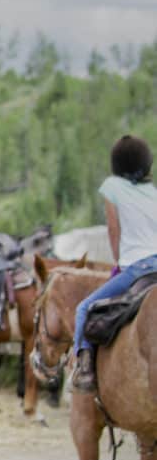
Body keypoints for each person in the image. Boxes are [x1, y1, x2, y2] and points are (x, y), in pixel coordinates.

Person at [71, 134, 157, 392]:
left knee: (85, 308)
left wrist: (119, 261)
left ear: (117, 164)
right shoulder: (152, 192)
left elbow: (113, 227)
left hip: (137, 266)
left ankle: (83, 369)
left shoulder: (112, 186)